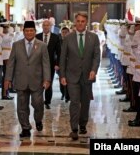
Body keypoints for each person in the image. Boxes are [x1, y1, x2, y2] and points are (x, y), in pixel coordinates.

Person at [4, 21, 51, 138]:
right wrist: (7, 79)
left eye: (31, 30)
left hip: (37, 81)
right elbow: (11, 64)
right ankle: (25, 127)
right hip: (21, 80)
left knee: (38, 103)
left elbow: (46, 64)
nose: (29, 33)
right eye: (27, 31)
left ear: (35, 32)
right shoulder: (16, 45)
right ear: (24, 32)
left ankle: (38, 120)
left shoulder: (42, 45)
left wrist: (47, 79)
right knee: (22, 106)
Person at [59, 12, 100, 140]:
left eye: (83, 21)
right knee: (74, 102)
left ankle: (83, 124)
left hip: (88, 75)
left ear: (86, 23)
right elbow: (63, 58)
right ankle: (74, 128)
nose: (80, 23)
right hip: (72, 76)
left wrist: (94, 70)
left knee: (85, 102)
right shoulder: (68, 38)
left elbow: (96, 56)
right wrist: (62, 75)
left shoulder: (93, 37)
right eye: (78, 21)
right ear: (74, 22)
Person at [36, 19, 61, 109]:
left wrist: (57, 64)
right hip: (38, 64)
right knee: (39, 82)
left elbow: (59, 52)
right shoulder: (37, 36)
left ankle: (47, 101)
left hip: (51, 63)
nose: (46, 27)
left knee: (48, 81)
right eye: (44, 25)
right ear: (42, 27)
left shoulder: (55, 37)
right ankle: (39, 100)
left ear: (50, 27)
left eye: (48, 25)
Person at [58, 26, 70, 102]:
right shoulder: (58, 41)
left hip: (69, 63)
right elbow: (56, 53)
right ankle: (63, 93)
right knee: (61, 79)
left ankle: (68, 95)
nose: (64, 34)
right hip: (60, 63)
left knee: (69, 80)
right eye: (63, 32)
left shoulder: (71, 41)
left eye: (66, 32)